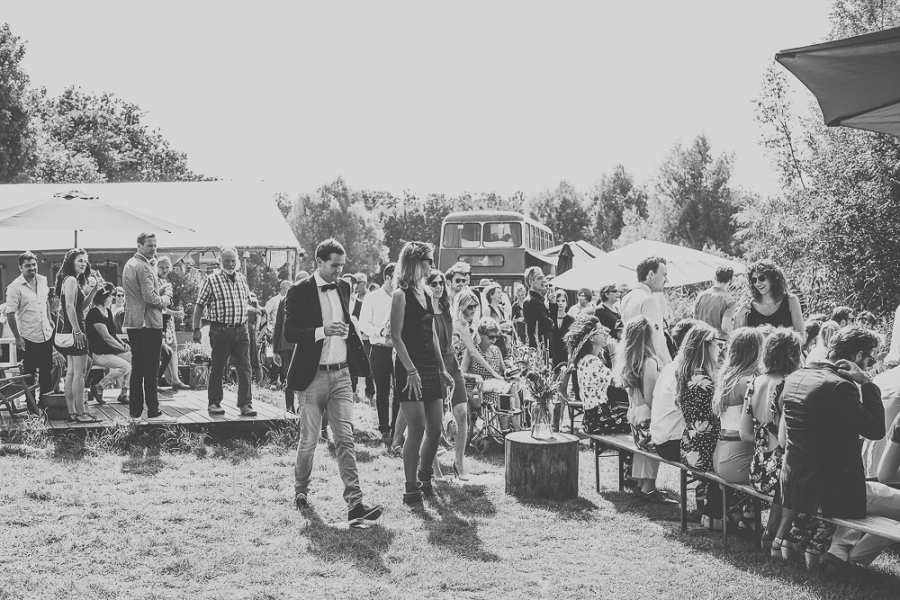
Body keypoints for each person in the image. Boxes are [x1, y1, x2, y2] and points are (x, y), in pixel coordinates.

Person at [283, 238, 382, 523]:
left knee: (345, 440)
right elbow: (290, 332)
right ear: (319, 262)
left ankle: (356, 504)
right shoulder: (299, 291)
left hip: (341, 374)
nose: (340, 270)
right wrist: (321, 330)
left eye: (342, 265)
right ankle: (301, 490)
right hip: (311, 376)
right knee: (309, 440)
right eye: (334, 265)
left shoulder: (344, 286)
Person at [772, 327, 885, 570]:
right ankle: (839, 555)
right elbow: (876, 430)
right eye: (870, 359)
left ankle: (814, 545)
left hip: (795, 483)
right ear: (857, 356)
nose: (870, 364)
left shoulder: (795, 377)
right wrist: (866, 383)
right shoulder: (840, 386)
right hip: (832, 491)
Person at [390, 242, 452, 506]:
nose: (431, 266)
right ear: (415, 261)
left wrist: (442, 368)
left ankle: (425, 478)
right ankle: (411, 488)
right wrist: (411, 370)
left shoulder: (427, 292)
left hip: (429, 365)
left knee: (435, 429)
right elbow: (395, 336)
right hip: (408, 368)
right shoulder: (400, 295)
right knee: (416, 429)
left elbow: (433, 336)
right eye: (428, 260)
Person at [739, 328, 803, 555]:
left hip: (757, 466)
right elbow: (785, 439)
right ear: (793, 354)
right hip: (778, 467)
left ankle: (772, 534)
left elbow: (744, 432)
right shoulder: (788, 384)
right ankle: (778, 536)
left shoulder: (754, 382)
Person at [191, 246, 257, 417]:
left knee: (245, 367)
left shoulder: (242, 278)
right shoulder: (211, 280)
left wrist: (256, 309)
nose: (230, 264)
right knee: (218, 367)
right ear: (219, 261)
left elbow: (241, 302)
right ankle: (214, 403)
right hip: (220, 330)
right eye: (226, 261)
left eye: (233, 261)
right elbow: (199, 305)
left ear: (237, 262)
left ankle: (245, 404)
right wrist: (196, 329)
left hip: (241, 330)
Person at [614, 315, 665, 502]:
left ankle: (642, 485)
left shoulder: (631, 360)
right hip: (647, 418)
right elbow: (651, 398)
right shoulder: (649, 362)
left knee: (643, 450)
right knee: (655, 446)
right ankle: (649, 488)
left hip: (635, 418)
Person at [122, 234, 172, 422]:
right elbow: (149, 298)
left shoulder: (129, 264)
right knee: (151, 369)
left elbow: (138, 293)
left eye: (155, 245)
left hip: (134, 322)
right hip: (148, 323)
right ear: (139, 245)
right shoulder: (144, 266)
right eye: (150, 245)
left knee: (138, 368)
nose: (153, 249)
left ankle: (135, 412)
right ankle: (154, 411)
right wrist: (165, 300)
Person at [55, 248, 103, 424]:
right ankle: (81, 412)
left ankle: (72, 413)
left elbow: (80, 307)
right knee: (80, 373)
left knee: (72, 373)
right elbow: (69, 307)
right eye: (80, 260)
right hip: (75, 329)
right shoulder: (71, 280)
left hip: (71, 328)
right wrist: (77, 331)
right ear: (71, 262)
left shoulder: (68, 280)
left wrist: (95, 290)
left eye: (85, 261)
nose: (83, 264)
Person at [711, 328, 763, 485]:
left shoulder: (726, 378)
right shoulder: (747, 383)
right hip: (739, 460)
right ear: (755, 352)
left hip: (720, 455)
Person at [562, 315, 625, 435]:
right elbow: (619, 382)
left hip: (594, 420)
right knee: (636, 421)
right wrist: (614, 355)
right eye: (600, 330)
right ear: (591, 338)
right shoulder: (591, 361)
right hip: (600, 420)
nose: (605, 333)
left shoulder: (587, 359)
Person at [651, 319, 703, 461]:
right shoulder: (687, 371)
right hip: (673, 444)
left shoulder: (671, 367)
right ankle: (710, 483)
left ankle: (705, 482)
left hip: (661, 439)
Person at [5, 251, 54, 398]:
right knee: (29, 373)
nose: (32, 268)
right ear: (20, 267)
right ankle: (31, 409)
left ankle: (45, 404)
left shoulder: (43, 280)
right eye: (27, 265)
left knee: (46, 370)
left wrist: (50, 319)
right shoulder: (15, 287)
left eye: (34, 264)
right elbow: (10, 313)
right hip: (28, 335)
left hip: (45, 332)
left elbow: (45, 300)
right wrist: (17, 338)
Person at [358, 263, 397, 444]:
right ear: (388, 278)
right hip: (380, 349)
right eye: (397, 277)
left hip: (399, 350)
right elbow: (363, 324)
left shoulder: (401, 297)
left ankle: (397, 428)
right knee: (382, 390)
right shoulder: (373, 298)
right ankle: (384, 429)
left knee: (399, 391)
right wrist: (380, 332)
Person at [461, 317, 521, 432]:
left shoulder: (496, 350)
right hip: (478, 390)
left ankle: (516, 429)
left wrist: (511, 371)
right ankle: (508, 432)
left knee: (513, 387)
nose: (494, 340)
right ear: (482, 335)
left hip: (496, 387)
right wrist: (475, 376)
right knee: (505, 393)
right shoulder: (472, 351)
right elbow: (461, 372)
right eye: (491, 337)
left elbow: (503, 371)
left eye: (497, 337)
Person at [677, 322, 722, 471]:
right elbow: (709, 422)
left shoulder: (688, 373)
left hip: (688, 446)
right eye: (717, 344)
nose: (720, 349)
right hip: (704, 452)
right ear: (706, 346)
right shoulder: (703, 383)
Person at [619, 256, 672, 367]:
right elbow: (655, 342)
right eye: (664, 275)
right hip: (652, 365)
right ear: (651, 274)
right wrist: (668, 366)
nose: (666, 280)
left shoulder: (626, 298)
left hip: (632, 362)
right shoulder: (649, 299)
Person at [86, 282, 131, 405]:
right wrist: (122, 347)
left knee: (134, 358)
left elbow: (113, 334)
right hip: (98, 354)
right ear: (104, 296)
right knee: (125, 367)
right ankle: (99, 387)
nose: (114, 297)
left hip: (111, 352)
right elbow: (106, 337)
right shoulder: (94, 313)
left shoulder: (108, 311)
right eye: (112, 295)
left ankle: (123, 393)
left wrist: (124, 345)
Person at [733, 259, 804, 334]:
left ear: (773, 278)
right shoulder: (749, 307)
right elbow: (739, 340)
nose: (757, 283)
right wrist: (737, 317)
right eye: (754, 280)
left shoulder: (791, 300)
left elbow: (801, 337)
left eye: (762, 278)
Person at [272, 271, 309, 413]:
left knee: (295, 375)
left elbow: (278, 325)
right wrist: (276, 349)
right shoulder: (287, 299)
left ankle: (296, 408)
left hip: (298, 342)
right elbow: (279, 324)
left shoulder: (288, 298)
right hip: (290, 342)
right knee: (290, 376)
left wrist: (276, 349)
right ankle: (290, 408)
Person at [156, 256, 188, 389]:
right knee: (160, 351)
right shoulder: (155, 281)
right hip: (158, 320)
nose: (164, 270)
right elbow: (158, 305)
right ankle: (156, 380)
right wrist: (174, 313)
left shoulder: (166, 281)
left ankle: (175, 379)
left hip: (168, 321)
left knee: (173, 347)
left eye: (166, 267)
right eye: (161, 267)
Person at [349, 272, 375, 404]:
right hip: (356, 337)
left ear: (364, 283)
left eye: (357, 282)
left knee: (368, 364)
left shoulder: (370, 298)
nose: (355, 286)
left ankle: (370, 391)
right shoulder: (353, 298)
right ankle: (354, 390)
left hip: (368, 338)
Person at [692, 266, 736, 337]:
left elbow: (695, 322)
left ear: (715, 278)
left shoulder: (701, 296)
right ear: (730, 280)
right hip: (718, 342)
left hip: (700, 340)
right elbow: (726, 328)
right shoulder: (730, 301)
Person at [523, 266, 553, 354]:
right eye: (540, 278)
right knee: (546, 367)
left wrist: (553, 303)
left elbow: (551, 320)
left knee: (548, 367)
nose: (544, 281)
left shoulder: (538, 299)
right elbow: (549, 324)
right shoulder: (532, 301)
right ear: (531, 281)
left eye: (544, 277)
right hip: (541, 349)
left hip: (545, 346)